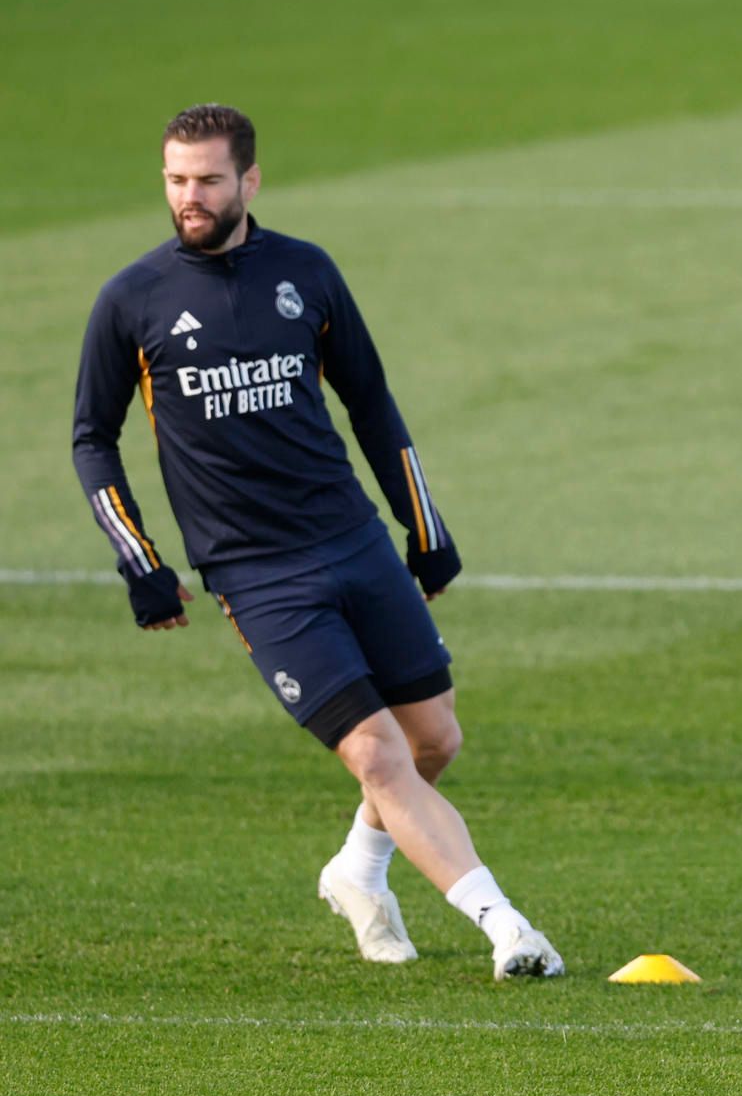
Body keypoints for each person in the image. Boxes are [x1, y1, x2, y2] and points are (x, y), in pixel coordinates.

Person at [71, 104, 565, 978]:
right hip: (256, 574)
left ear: (250, 181)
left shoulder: (306, 273)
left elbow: (369, 401)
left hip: (350, 538)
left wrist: (424, 524)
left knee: (434, 741)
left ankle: (358, 869)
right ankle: (506, 927)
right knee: (374, 751)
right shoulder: (132, 301)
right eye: (177, 181)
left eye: (209, 181)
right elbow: (91, 438)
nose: (191, 198)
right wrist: (140, 561)